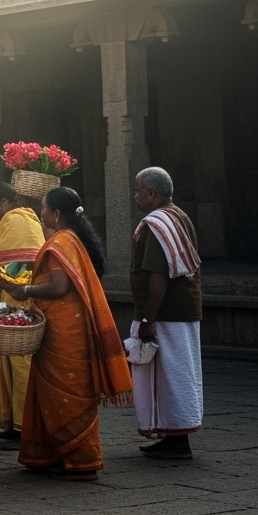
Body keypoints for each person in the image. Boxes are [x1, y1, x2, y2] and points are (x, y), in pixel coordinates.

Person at [0, 187, 132, 481]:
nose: (41, 214)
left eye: (44, 209)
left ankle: (82, 460)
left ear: (57, 214)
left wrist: (25, 290)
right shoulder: (72, 239)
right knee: (59, 391)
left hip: (64, 332)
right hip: (66, 326)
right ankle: (59, 453)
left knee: (67, 393)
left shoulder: (60, 241)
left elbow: (59, 287)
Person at [130, 166, 203, 459]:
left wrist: (148, 319)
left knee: (171, 376)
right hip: (180, 312)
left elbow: (158, 276)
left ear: (152, 193)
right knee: (174, 375)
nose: (135, 196)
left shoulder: (158, 222)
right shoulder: (177, 215)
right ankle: (171, 435)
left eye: (138, 191)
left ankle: (178, 440)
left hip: (167, 314)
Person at [0, 181, 44, 448]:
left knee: (20, 364)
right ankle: (11, 422)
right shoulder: (31, 219)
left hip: (18, 297)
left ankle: (23, 426)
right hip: (23, 295)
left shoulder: (12, 219)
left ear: (6, 203)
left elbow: (5, 265)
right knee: (8, 362)